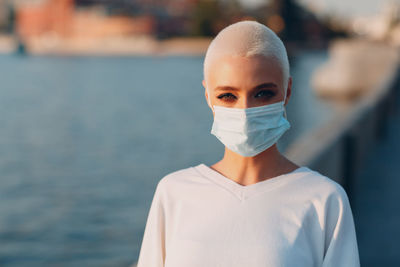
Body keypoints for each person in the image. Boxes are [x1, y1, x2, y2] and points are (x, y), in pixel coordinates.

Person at [136, 20, 360, 267]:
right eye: (228, 96)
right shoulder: (173, 193)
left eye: (263, 93)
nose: (244, 111)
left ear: (287, 92)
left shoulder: (324, 199)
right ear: (208, 97)